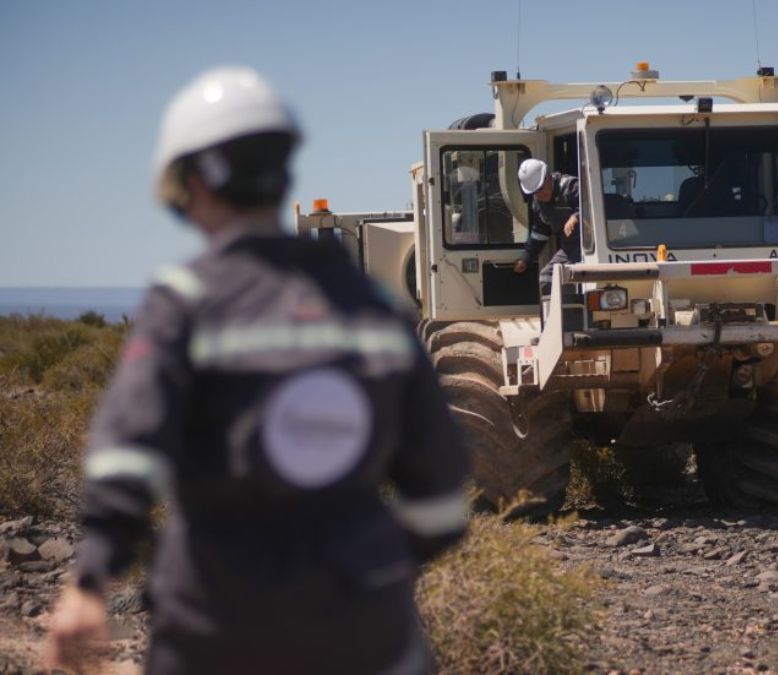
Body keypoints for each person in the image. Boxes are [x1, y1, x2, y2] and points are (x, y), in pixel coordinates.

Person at [44, 67, 469, 674]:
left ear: (191, 182)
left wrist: (91, 580)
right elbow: (443, 491)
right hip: (369, 632)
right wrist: (366, 566)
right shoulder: (376, 310)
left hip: (215, 628)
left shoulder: (186, 300)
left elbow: (128, 454)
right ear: (281, 172)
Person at [511, 158, 581, 296]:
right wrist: (526, 257)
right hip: (570, 248)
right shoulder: (538, 205)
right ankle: (554, 316)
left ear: (548, 177)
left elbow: (595, 205)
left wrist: (576, 216)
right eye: (535, 192)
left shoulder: (571, 186)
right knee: (547, 278)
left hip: (591, 247)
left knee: (579, 277)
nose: (540, 194)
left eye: (541, 188)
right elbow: (540, 231)